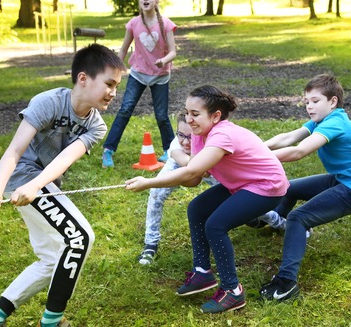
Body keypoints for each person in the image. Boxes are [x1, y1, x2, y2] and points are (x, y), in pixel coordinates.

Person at [0, 44, 126, 327]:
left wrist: (37, 186)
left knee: (52, 258)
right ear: (83, 78)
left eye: (116, 86)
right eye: (109, 83)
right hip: (21, 179)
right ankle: (51, 321)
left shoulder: (97, 126)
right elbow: (14, 151)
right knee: (79, 239)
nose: (114, 92)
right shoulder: (48, 102)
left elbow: (65, 159)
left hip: (40, 184)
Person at [126, 85, 290, 313]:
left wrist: (148, 182)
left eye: (195, 114)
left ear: (215, 116)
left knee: (216, 225)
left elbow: (191, 172)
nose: (189, 119)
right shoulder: (199, 136)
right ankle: (202, 272)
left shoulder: (222, 134)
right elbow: (194, 177)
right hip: (242, 184)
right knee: (197, 209)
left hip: (268, 186)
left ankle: (233, 291)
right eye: (186, 113)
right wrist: (182, 167)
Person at [259, 74, 351, 302]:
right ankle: (277, 220)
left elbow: (299, 151)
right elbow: (288, 137)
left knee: (299, 218)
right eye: (306, 101)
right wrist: (255, 149)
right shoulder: (321, 121)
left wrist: (254, 160)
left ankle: (286, 285)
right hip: (344, 178)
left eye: (315, 101)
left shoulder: (335, 122)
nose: (309, 106)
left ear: (333, 102)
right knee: (289, 189)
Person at [102, 0, 177, 168]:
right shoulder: (133, 24)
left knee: (162, 116)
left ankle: (170, 151)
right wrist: (114, 71)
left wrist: (163, 60)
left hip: (160, 75)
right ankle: (108, 150)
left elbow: (173, 51)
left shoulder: (166, 24)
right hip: (138, 73)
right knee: (125, 109)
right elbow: (123, 49)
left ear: (156, 1)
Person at [138, 113, 218, 265]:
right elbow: (188, 165)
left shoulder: (212, 142)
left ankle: (273, 219)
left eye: (191, 137)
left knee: (237, 192)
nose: (185, 142)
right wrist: (203, 166)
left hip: (209, 163)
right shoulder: (177, 145)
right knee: (156, 192)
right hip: (186, 164)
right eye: (181, 135)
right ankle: (151, 243)